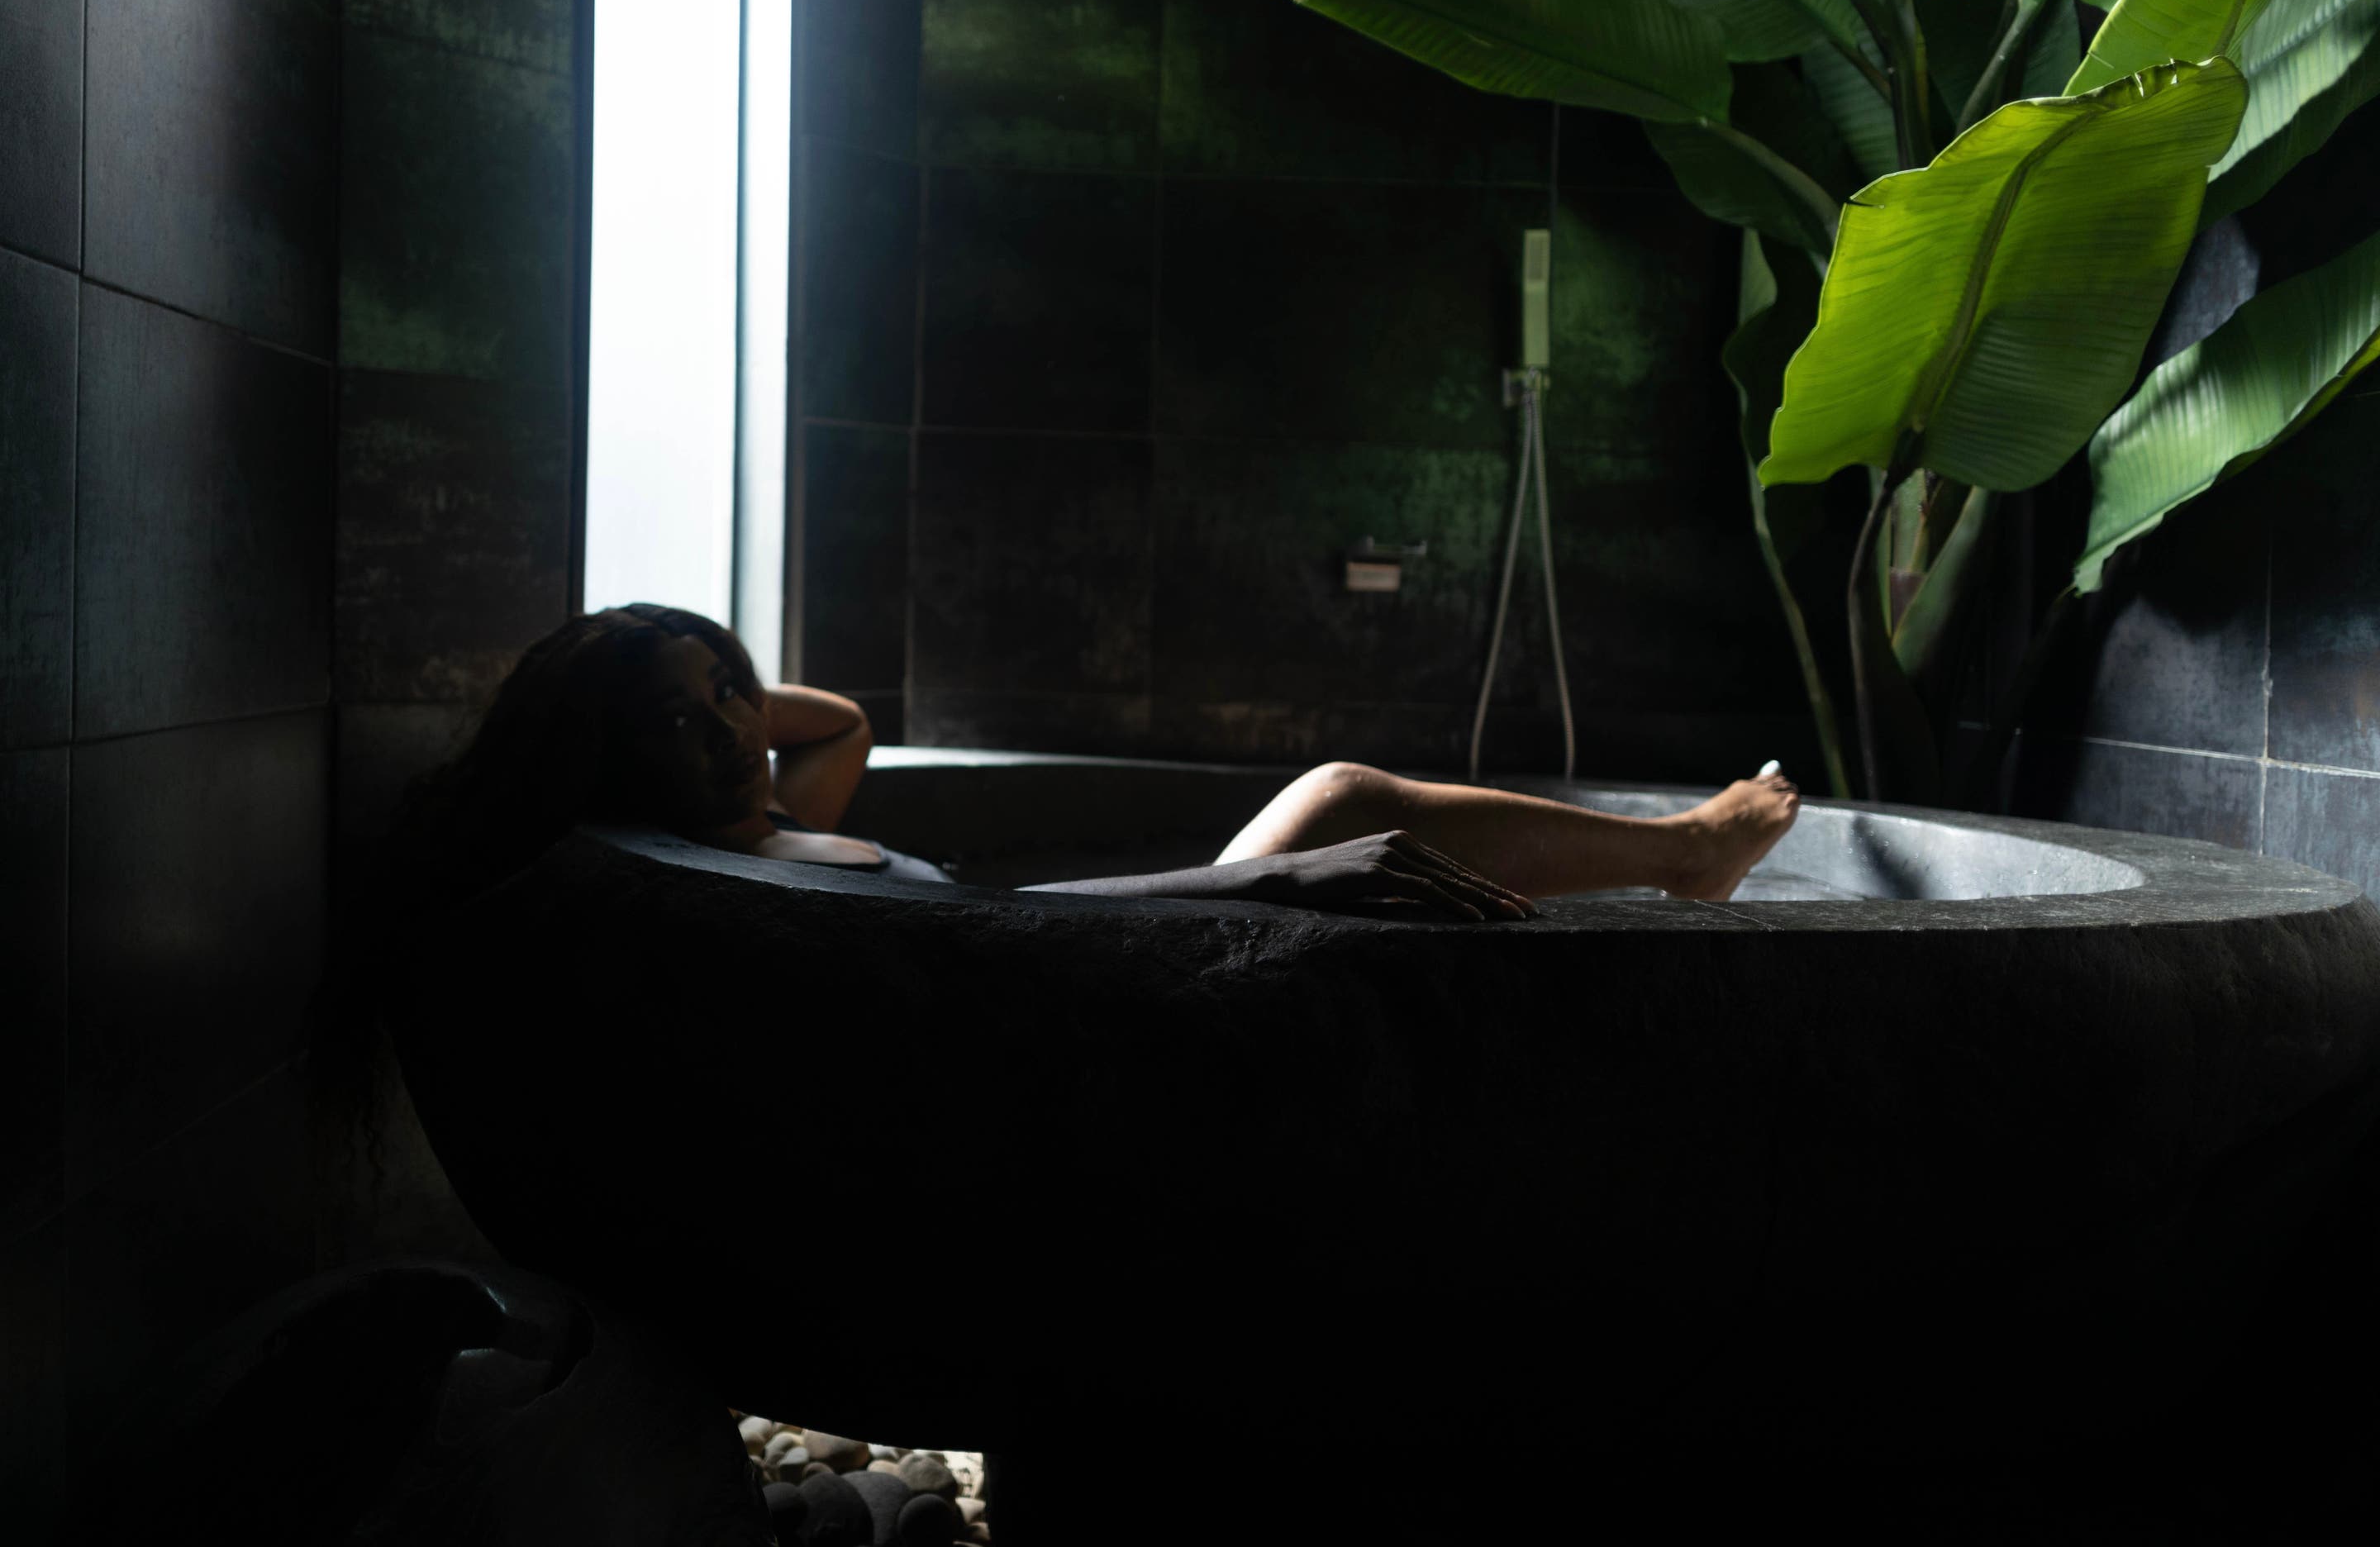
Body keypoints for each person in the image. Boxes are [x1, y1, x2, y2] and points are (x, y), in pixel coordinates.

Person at [397, 603, 1801, 920]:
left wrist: (703, 680)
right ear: (604, 758)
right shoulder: (724, 882)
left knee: (1343, 820)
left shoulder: (757, 825)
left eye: (728, 695)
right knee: (1340, 805)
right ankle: (1687, 856)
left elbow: (841, 725)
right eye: (676, 723)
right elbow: (984, 956)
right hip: (1065, 992)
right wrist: (1269, 885)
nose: (730, 731)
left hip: (1059, 967)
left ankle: (1683, 859)